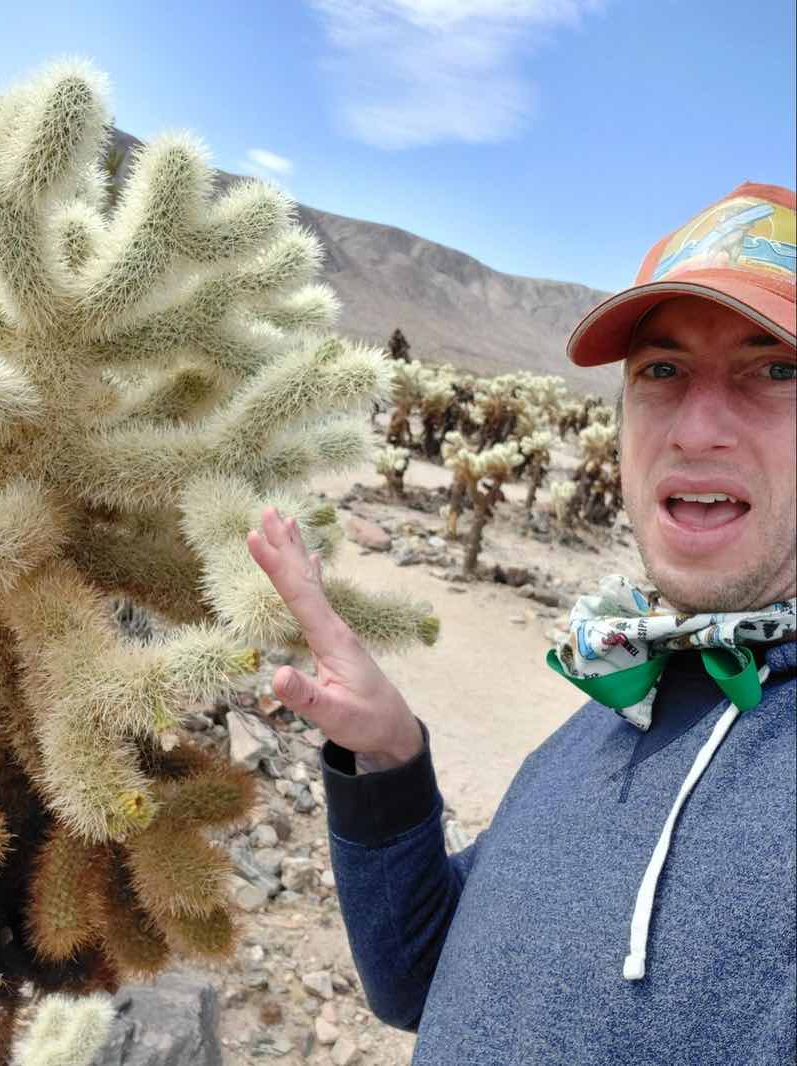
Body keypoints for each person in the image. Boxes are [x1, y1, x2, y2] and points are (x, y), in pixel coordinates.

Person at [246, 181, 796, 1066]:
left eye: (777, 369)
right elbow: (418, 980)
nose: (698, 427)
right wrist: (388, 765)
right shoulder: (620, 703)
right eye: (660, 369)